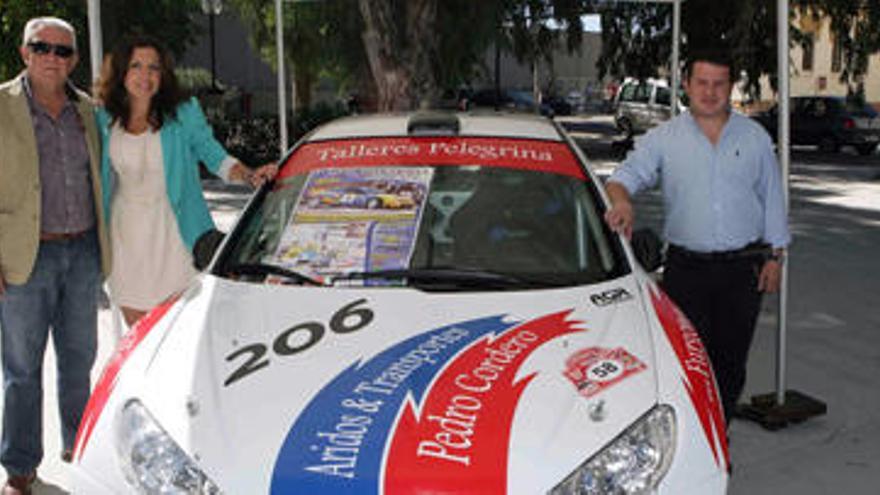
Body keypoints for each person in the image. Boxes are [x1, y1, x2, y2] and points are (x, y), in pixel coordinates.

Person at [604, 50, 791, 422]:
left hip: (744, 269)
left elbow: (772, 199)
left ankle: (719, 436)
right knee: (689, 360)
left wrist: (776, 256)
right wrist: (621, 202)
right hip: (686, 270)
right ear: (686, 85)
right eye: (701, 83)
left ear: (730, 87)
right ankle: (695, 437)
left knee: (731, 361)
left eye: (719, 84)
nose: (710, 92)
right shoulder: (664, 138)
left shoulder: (754, 138)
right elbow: (621, 179)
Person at [0, 17, 111, 494]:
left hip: (83, 251)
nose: (52, 57)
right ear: (24, 53)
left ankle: (80, 448)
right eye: (42, 47)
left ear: (75, 60)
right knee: (22, 368)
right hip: (24, 256)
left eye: (63, 51)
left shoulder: (88, 110)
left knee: (79, 358)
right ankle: (20, 469)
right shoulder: (1, 104)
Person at [95, 35, 276, 328]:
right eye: (136, 66)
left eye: (153, 67)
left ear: (163, 73)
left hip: (175, 235)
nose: (145, 75)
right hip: (124, 238)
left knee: (175, 332)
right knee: (140, 336)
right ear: (121, 72)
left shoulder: (183, 112)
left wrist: (249, 175)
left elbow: (213, 155)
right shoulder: (103, 117)